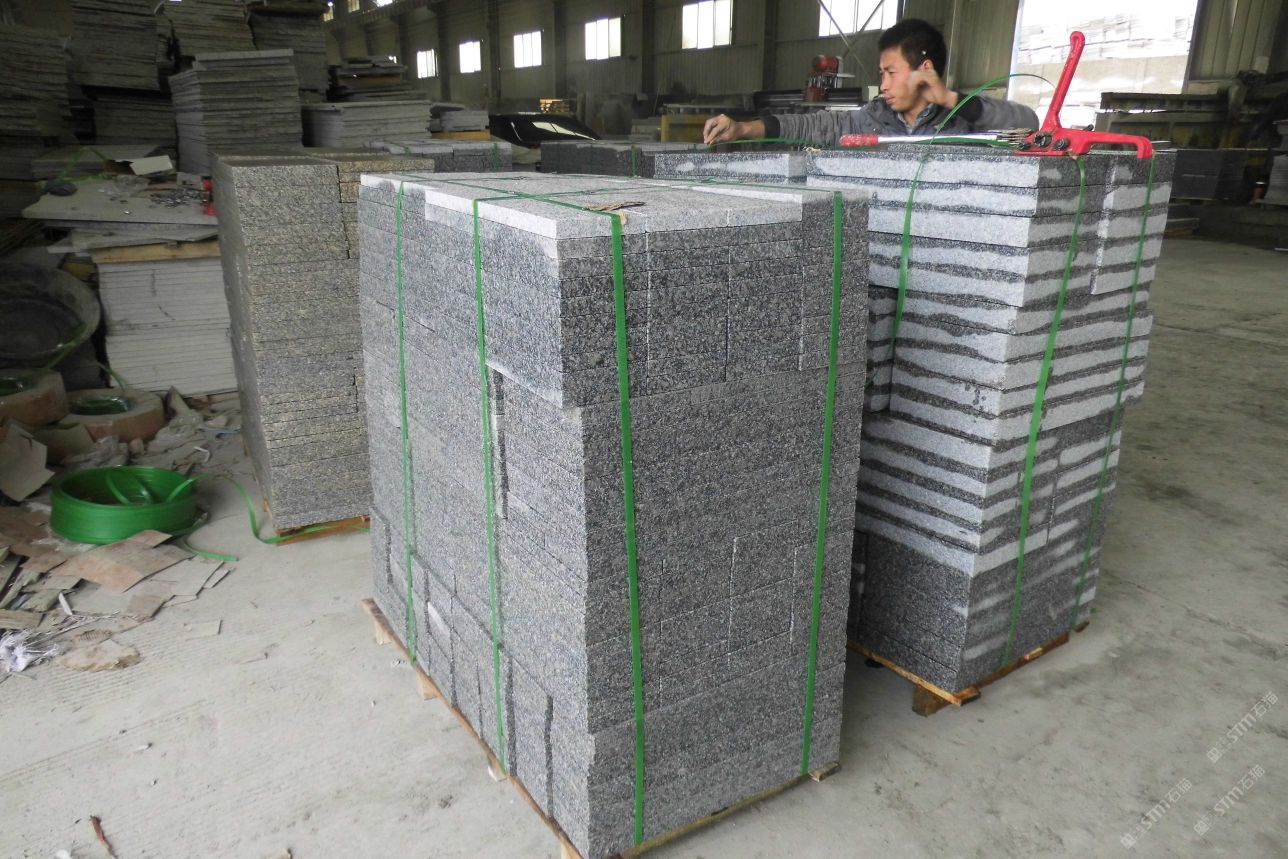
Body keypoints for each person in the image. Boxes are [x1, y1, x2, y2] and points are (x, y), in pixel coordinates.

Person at [703, 18, 1040, 147]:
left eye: (891, 73)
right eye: (882, 74)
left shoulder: (963, 122)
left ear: (925, 69)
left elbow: (1029, 124)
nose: (883, 85)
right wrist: (744, 128)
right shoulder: (871, 120)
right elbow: (812, 126)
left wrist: (952, 99)